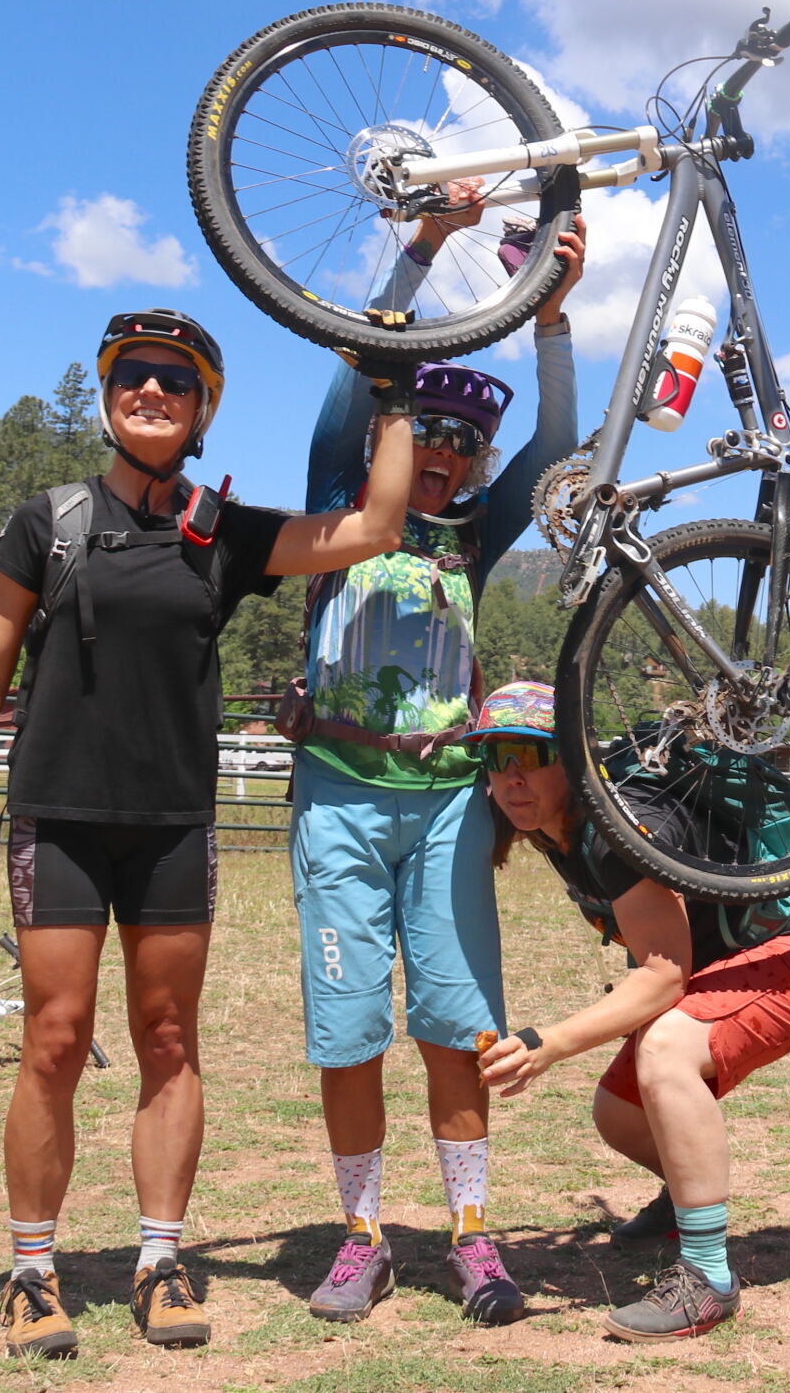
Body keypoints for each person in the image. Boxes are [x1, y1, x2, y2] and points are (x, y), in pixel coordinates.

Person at [0, 308, 420, 1358]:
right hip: (58, 814)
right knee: (53, 1039)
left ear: (202, 409)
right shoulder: (46, 520)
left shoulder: (220, 533)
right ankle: (31, 1270)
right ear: (108, 394)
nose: (151, 390)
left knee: (170, 1040)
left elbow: (377, 524)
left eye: (174, 381)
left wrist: (395, 394)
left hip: (172, 823)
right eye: (133, 374)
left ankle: (158, 1258)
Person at [289, 197, 586, 1327]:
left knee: (460, 1021)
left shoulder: (470, 535)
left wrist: (552, 316)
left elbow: (556, 451)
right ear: (387, 441)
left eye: (467, 445)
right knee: (350, 1024)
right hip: (342, 799)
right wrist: (416, 252)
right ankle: (362, 1233)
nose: (448, 457)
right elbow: (348, 372)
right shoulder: (337, 505)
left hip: (450, 806)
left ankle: (471, 1231)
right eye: (429, 435)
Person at [468, 681, 790, 1341]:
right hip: (746, 957)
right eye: (494, 756)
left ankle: (708, 1277)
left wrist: (549, 1041)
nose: (511, 775)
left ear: (570, 756)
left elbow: (663, 977)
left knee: (665, 1052)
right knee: (619, 1112)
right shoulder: (552, 823)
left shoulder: (617, 829)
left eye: (529, 752)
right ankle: (689, 1202)